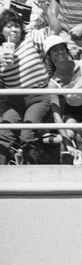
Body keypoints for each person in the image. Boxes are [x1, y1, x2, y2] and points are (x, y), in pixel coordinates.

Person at [0, 8, 52, 164]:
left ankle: (32, 176)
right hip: (15, 100)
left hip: (38, 96)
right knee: (3, 133)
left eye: (16, 25)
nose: (14, 29)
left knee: (27, 134)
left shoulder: (30, 40)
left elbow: (52, 31)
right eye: (8, 26)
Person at [45, 33, 82, 164]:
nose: (60, 52)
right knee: (66, 136)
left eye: (61, 48)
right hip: (72, 112)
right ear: (50, 56)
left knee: (81, 135)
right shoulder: (52, 83)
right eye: (55, 50)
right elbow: (57, 116)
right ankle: (65, 175)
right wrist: (68, 143)